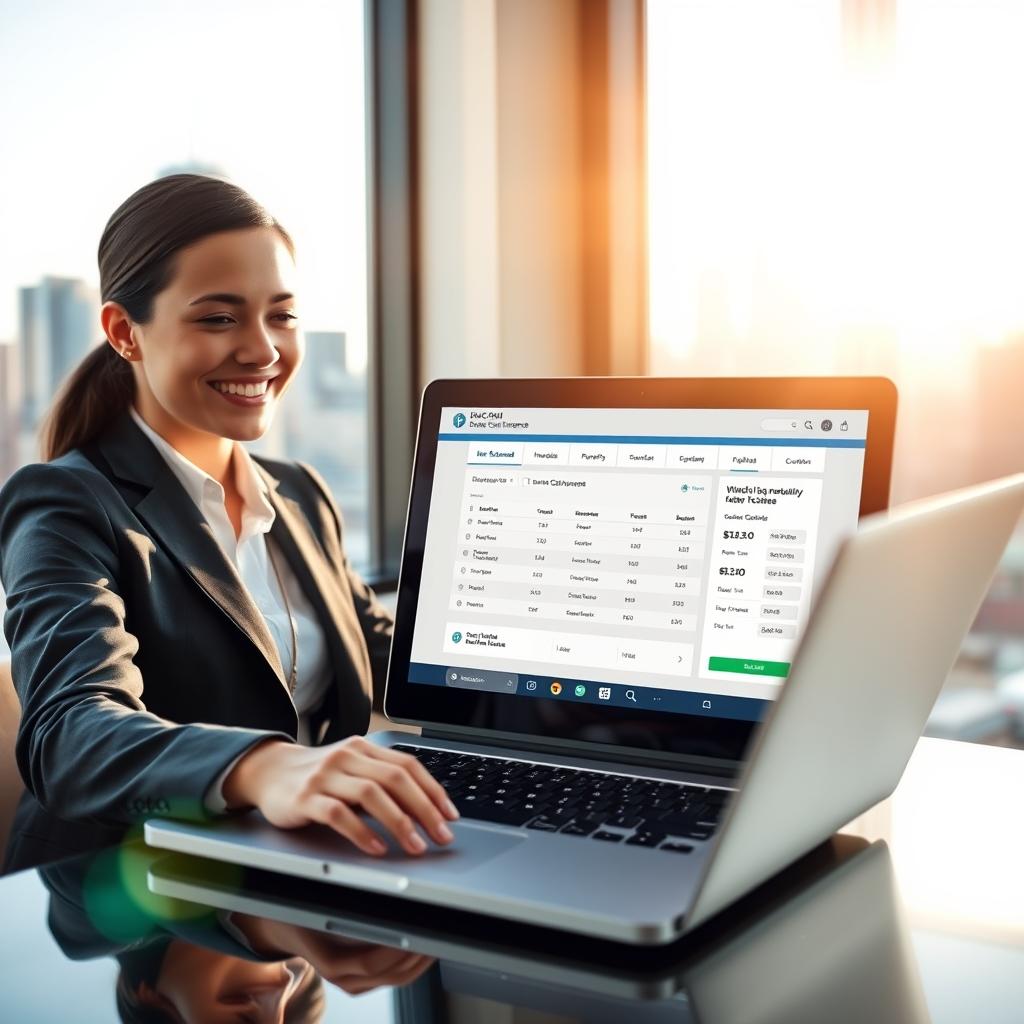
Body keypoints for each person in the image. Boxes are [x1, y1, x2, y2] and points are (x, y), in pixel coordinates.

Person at [0, 174, 458, 874]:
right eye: (219, 318)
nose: (263, 350)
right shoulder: (64, 504)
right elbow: (70, 732)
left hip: (307, 873)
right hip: (133, 890)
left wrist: (599, 705)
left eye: (282, 315)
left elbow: (387, 658)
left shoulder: (299, 494)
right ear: (125, 332)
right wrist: (263, 767)